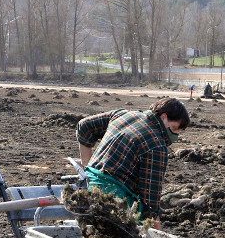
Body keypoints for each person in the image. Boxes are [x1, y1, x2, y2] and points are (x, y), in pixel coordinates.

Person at [76, 97, 189, 229]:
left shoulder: (124, 115)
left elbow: (84, 126)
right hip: (113, 200)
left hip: (89, 187)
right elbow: (150, 201)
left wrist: (86, 166)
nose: (175, 135)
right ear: (164, 117)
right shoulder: (156, 146)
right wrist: (159, 235)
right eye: (174, 128)